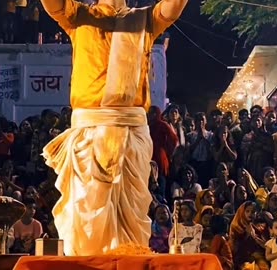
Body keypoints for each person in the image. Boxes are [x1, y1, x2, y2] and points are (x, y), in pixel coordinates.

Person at [39, 0, 188, 256]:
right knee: (87, 218)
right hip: (91, 131)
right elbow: (54, 6)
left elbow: (172, 9)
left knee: (132, 213)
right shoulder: (80, 15)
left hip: (131, 131)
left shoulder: (144, 19)